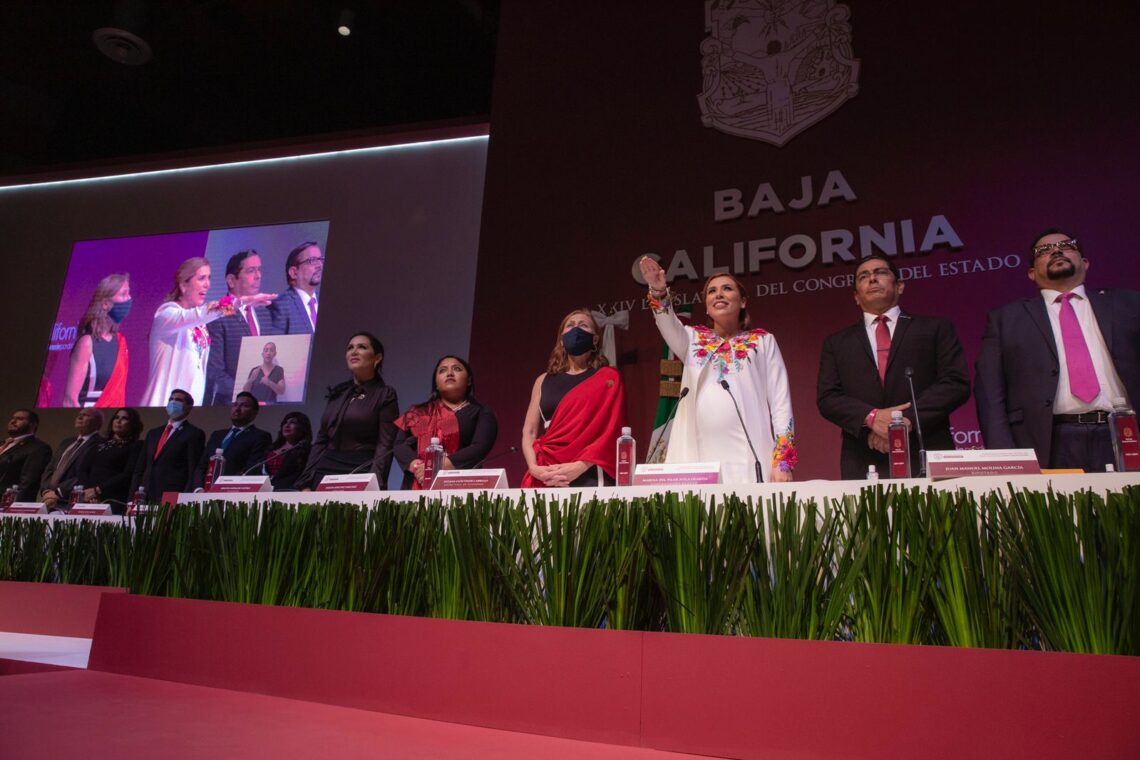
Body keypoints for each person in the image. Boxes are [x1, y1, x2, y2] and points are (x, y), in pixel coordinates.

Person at [975, 229, 1140, 471]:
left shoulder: (1129, 304)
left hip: (1125, 432)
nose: (1056, 250)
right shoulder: (1005, 319)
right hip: (1050, 440)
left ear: (1085, 262)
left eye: (1067, 245)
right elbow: (990, 393)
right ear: (1031, 273)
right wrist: (1005, 457)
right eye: (1044, 250)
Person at [639, 257, 795, 484]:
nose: (718, 294)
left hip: (751, 458)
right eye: (711, 291)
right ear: (707, 305)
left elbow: (781, 405)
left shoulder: (763, 341)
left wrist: (782, 462)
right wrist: (658, 290)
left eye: (727, 289)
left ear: (742, 301)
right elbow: (666, 322)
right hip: (698, 459)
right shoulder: (691, 339)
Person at [816, 254, 970, 479]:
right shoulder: (837, 343)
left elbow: (955, 383)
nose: (872, 279)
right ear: (856, 297)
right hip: (864, 455)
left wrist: (903, 421)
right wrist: (871, 419)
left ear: (899, 286)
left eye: (880, 273)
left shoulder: (935, 328)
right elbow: (828, 398)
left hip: (926, 450)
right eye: (864, 276)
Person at [141, 257, 276, 408]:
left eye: (209, 278)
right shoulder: (167, 314)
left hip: (191, 408)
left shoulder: (201, 325)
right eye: (201, 278)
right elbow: (202, 313)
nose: (207, 285)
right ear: (183, 285)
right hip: (163, 404)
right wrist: (240, 302)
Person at [521, 309, 627, 487]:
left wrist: (580, 467)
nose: (575, 329)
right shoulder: (543, 380)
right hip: (547, 471)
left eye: (583, 325)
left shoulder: (608, 378)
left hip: (591, 472)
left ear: (595, 339)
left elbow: (612, 431)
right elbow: (529, 432)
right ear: (562, 340)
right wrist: (534, 468)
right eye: (570, 326)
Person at [296, 332, 398, 489]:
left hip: (360, 468)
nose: (354, 352)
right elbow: (321, 440)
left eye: (362, 347)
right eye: (350, 348)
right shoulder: (338, 392)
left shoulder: (385, 394)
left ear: (377, 358)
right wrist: (305, 482)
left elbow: (385, 445)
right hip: (325, 468)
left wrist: (375, 484)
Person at [394, 355, 499, 489]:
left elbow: (479, 447)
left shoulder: (482, 412)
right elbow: (399, 444)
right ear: (436, 384)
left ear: (468, 381)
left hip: (462, 485)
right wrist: (418, 467)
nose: (449, 373)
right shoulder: (417, 412)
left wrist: (438, 466)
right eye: (442, 370)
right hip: (416, 482)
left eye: (457, 369)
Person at [205, 251, 277, 405]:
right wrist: (248, 395)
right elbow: (215, 373)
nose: (258, 276)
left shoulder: (264, 313)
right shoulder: (217, 316)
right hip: (230, 406)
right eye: (251, 271)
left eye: (259, 270)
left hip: (264, 406)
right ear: (231, 280)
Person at [63, 273, 132, 408]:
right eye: (124, 294)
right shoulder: (87, 343)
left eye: (129, 294)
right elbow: (70, 399)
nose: (129, 299)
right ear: (105, 304)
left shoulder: (121, 342)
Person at [130, 389, 206, 500]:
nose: (173, 402)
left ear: (189, 407)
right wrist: (131, 499)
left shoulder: (194, 434)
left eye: (178, 400)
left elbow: (192, 470)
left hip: (171, 496)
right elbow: (140, 469)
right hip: (144, 495)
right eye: (171, 399)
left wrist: (184, 499)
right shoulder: (153, 433)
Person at [193, 391, 272, 489]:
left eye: (245, 406)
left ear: (255, 413)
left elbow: (252, 469)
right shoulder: (217, 435)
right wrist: (198, 489)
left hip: (232, 491)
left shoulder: (260, 436)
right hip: (204, 492)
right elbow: (202, 466)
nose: (237, 409)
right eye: (235, 405)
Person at [74, 408, 145, 513]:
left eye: (124, 418)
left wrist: (98, 490)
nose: (118, 421)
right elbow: (83, 469)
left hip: (114, 499)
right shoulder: (98, 444)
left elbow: (127, 474)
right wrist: (89, 491)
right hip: (89, 498)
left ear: (132, 424)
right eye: (116, 417)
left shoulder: (136, 446)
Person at [40, 409, 104, 510]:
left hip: (70, 501)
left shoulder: (100, 444)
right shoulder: (67, 442)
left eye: (86, 415)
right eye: (79, 414)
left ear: (98, 422)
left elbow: (85, 474)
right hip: (48, 499)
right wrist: (45, 490)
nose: (80, 417)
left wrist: (58, 492)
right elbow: (50, 468)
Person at [0, 409, 53, 502]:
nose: (13, 421)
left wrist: (14, 507)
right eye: (12, 418)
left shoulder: (38, 448)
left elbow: (29, 483)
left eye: (19, 419)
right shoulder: (3, 444)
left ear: (32, 425)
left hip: (6, 503)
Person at [270, 242, 322, 334]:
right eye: (312, 260)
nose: (320, 265)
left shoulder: (327, 301)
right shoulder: (281, 306)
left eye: (320, 259)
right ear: (294, 272)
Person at [263, 411, 313, 491]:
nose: (287, 425)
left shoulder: (308, 451)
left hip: (289, 491)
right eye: (285, 422)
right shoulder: (271, 448)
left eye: (293, 422)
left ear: (303, 428)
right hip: (264, 489)